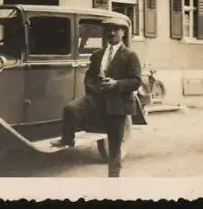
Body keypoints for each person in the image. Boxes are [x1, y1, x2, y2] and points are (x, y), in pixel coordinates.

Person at [50, 19, 142, 177]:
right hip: (96, 98)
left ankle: (113, 178)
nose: (111, 33)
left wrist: (115, 84)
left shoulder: (130, 56)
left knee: (114, 144)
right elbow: (89, 78)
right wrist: (94, 89)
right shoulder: (97, 55)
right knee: (70, 109)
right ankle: (67, 139)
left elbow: (136, 81)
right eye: (108, 30)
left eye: (115, 30)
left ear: (123, 32)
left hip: (117, 102)